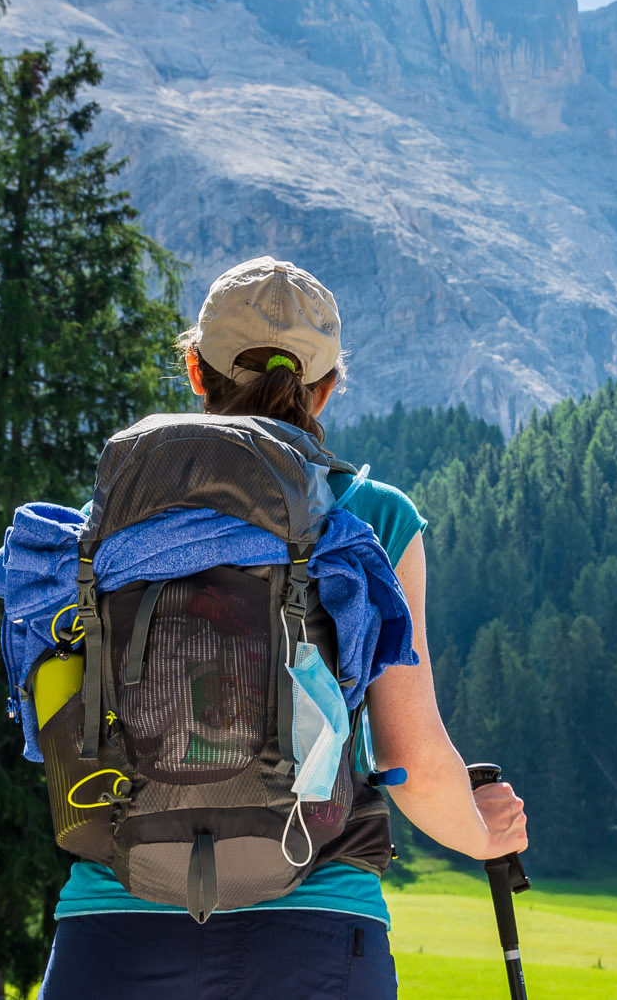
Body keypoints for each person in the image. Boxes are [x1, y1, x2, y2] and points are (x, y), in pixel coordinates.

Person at [41, 256, 529, 999]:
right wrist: (483, 830)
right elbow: (412, 762)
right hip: (316, 925)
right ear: (326, 388)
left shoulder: (113, 516)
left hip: (114, 925)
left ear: (196, 372)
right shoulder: (372, 517)